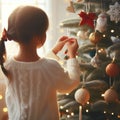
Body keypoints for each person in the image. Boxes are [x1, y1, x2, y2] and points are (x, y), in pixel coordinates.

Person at [0, 5, 80, 120]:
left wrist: (54, 51)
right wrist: (72, 56)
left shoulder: (7, 65)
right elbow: (70, 83)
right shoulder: (50, 67)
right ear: (38, 38)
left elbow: (34, 70)